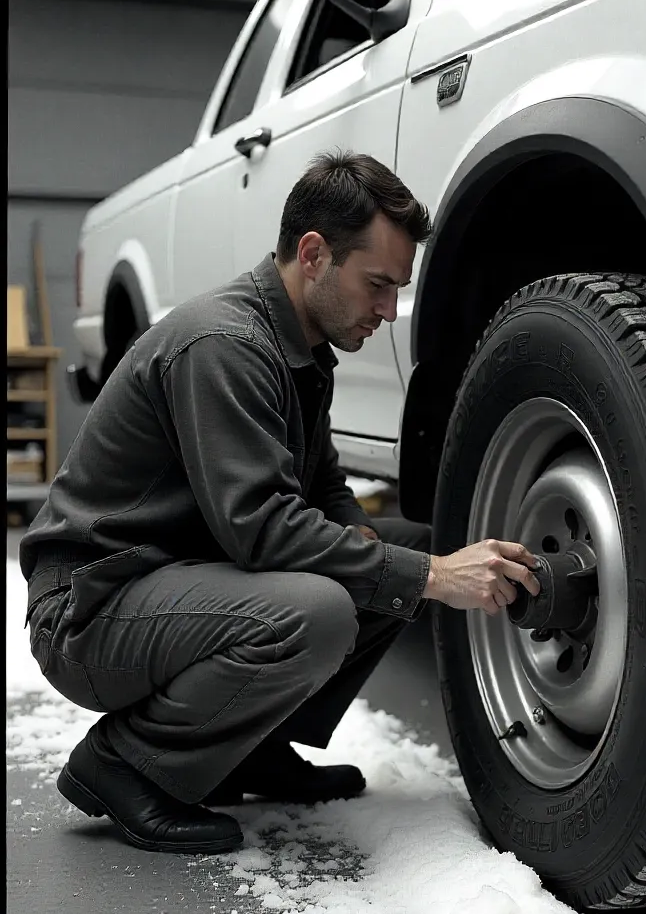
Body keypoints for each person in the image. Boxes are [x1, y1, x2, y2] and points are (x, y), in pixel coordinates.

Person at [19, 150, 541, 855]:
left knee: (402, 554)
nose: (389, 312)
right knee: (330, 607)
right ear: (315, 253)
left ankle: (246, 748)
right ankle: (124, 765)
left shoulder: (299, 344)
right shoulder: (224, 344)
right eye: (378, 285)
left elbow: (322, 490)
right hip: (91, 609)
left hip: (170, 580)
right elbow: (262, 531)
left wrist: (407, 567)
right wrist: (431, 579)